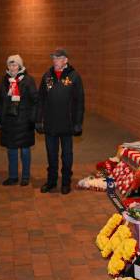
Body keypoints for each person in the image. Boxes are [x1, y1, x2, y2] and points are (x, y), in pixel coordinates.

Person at [36, 48, 84, 195]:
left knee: (67, 155)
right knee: (51, 154)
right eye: (54, 58)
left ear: (65, 60)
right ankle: (51, 182)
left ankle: (66, 183)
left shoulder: (74, 76)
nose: (55, 61)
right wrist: (38, 120)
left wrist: (78, 123)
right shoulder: (47, 76)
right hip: (50, 124)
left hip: (67, 124)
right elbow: (41, 100)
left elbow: (79, 102)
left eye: (58, 58)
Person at [0, 55, 37, 186]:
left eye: (15, 65)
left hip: (24, 120)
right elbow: (1, 101)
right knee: (11, 150)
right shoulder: (5, 81)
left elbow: (35, 101)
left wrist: (33, 118)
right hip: (9, 121)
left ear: (20, 66)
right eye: (10, 65)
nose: (13, 68)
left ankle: (25, 176)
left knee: (25, 150)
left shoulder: (28, 80)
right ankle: (13, 176)